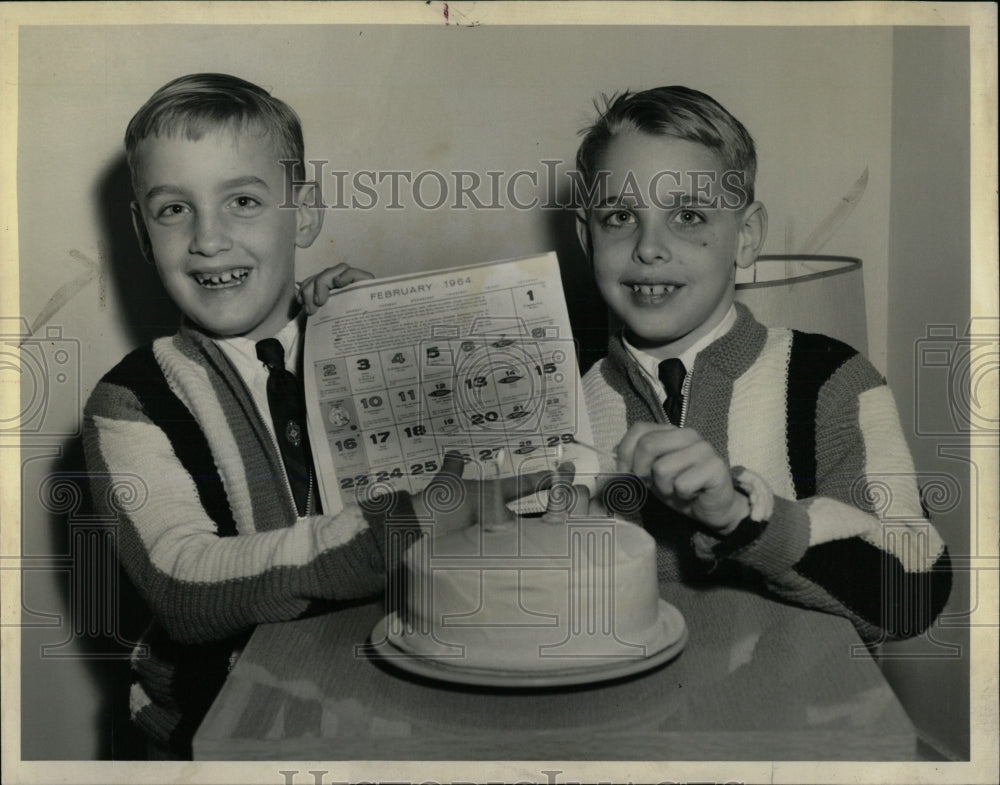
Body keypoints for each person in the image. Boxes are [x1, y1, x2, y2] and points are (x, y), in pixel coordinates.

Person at [82, 73, 548, 758]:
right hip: (215, 735)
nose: (208, 239)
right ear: (140, 231)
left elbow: (486, 486)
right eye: (173, 210)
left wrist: (397, 337)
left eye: (242, 200)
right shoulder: (127, 403)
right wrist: (402, 524)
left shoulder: (350, 330)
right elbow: (182, 583)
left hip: (384, 701)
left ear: (302, 214)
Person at [573, 85, 952, 643]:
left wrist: (744, 519)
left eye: (689, 215)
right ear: (586, 238)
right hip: (624, 723)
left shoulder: (831, 381)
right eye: (619, 216)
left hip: (794, 725)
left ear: (745, 238)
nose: (649, 247)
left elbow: (913, 593)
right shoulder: (561, 401)